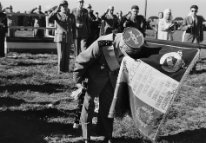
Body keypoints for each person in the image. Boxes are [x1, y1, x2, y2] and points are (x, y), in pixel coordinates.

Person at [73, 27, 145, 143]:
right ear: (122, 43)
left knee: (108, 107)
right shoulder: (104, 42)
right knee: (88, 105)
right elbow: (82, 59)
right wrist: (78, 82)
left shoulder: (134, 44)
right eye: (125, 51)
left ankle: (105, 134)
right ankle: (86, 136)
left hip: (111, 79)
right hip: (94, 78)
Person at [48, 0, 76, 73]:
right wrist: (56, 9)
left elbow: (73, 27)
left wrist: (74, 37)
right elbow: (49, 18)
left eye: (66, 6)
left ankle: (66, 69)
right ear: (60, 7)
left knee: (67, 55)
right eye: (63, 6)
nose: (64, 8)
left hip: (69, 37)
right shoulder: (57, 14)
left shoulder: (71, 16)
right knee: (61, 55)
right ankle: (60, 70)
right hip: (60, 37)